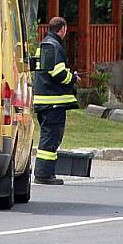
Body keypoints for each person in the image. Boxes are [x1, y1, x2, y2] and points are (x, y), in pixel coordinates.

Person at [33, 16, 79, 185]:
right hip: (53, 102)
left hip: (44, 101)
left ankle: (44, 173)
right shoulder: (54, 46)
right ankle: (44, 175)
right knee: (51, 138)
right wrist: (72, 78)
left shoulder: (45, 44)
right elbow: (58, 73)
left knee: (48, 137)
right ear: (63, 29)